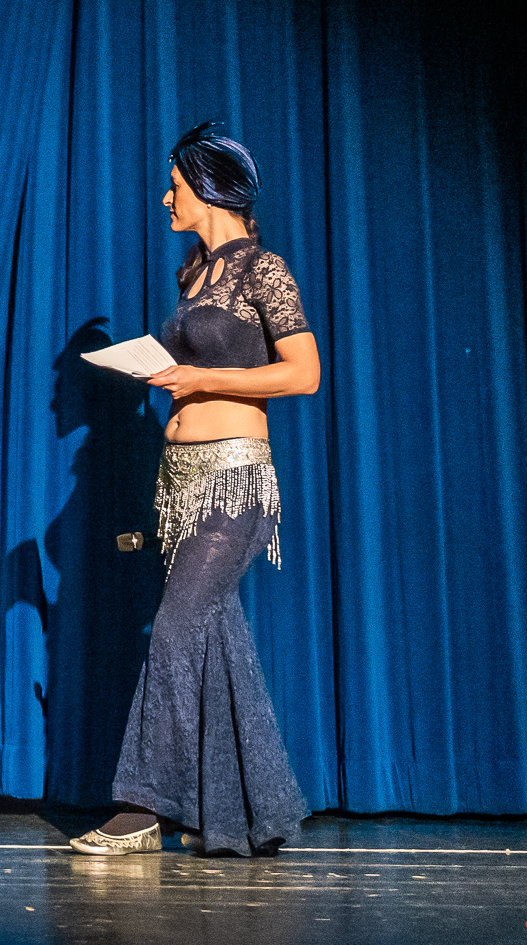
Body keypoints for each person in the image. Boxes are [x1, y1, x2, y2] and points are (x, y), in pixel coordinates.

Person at [70, 122, 320, 857]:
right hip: (180, 485)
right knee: (213, 639)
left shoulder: (262, 270)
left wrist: (201, 376)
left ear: (208, 188)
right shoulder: (194, 277)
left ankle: (142, 807)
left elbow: (303, 372)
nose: (165, 197)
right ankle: (250, 814)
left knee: (178, 629)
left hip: (234, 480)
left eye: (174, 185)